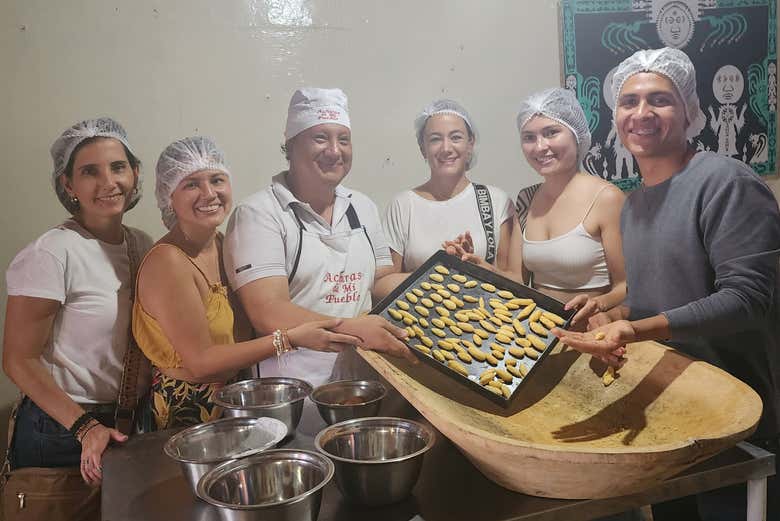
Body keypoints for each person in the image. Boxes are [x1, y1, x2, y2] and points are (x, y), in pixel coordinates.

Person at [553, 48, 780, 521]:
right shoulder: (636, 206)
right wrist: (611, 315)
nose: (641, 114)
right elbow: (657, 296)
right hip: (670, 413)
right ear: (614, 115)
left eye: (660, 100)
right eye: (629, 101)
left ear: (689, 111)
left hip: (739, 423)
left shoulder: (726, 183)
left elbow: (748, 299)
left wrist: (635, 331)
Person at [132, 136, 358, 430]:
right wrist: (289, 339)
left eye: (217, 180)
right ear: (168, 197)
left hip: (237, 398)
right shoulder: (168, 262)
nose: (209, 193)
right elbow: (201, 362)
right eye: (191, 184)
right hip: (189, 411)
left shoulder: (224, 244)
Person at [3, 118, 153, 511]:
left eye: (118, 167)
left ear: (135, 173)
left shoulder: (142, 245)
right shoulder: (51, 253)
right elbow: (19, 358)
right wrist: (84, 428)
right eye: (90, 172)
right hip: (61, 429)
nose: (109, 182)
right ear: (68, 185)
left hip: (126, 425)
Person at [223, 87, 414, 395]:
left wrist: (440, 277)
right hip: (293, 390)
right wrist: (352, 329)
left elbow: (379, 281)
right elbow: (268, 311)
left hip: (361, 381)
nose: (335, 150)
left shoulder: (362, 206)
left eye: (344, 139)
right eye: (321, 138)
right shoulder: (259, 213)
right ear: (291, 145)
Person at [448, 88, 626, 326]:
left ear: (576, 135)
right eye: (529, 137)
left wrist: (600, 305)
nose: (540, 147)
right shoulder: (526, 199)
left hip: (592, 332)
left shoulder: (607, 198)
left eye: (551, 132)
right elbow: (517, 281)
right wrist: (480, 266)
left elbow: (625, 286)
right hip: (538, 333)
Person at [375, 99, 515, 299]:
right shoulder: (404, 205)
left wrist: (476, 269)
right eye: (435, 139)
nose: (446, 148)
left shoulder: (495, 201)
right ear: (422, 148)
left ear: (470, 143)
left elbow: (514, 282)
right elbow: (381, 286)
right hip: (419, 322)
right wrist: (441, 271)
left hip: (484, 322)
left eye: (456, 137)